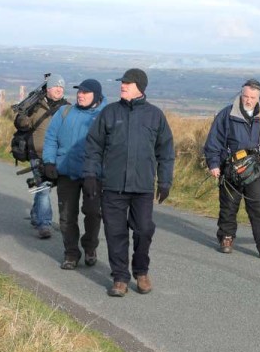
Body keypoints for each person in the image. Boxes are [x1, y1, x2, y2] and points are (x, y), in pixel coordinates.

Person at [84, 68, 174, 297]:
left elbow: (166, 151)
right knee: (115, 232)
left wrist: (165, 181)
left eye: (128, 83)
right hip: (112, 185)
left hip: (142, 186)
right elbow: (94, 146)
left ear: (140, 87)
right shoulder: (110, 113)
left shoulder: (155, 115)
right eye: (122, 82)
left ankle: (141, 271)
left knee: (144, 230)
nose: (122, 86)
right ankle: (120, 278)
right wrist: (91, 175)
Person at [203, 78, 260, 258]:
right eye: (245, 96)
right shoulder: (227, 115)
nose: (248, 100)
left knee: (258, 208)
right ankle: (226, 238)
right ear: (241, 94)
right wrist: (214, 164)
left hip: (256, 171)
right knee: (229, 206)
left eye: (252, 97)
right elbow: (213, 141)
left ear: (259, 98)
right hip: (229, 169)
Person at [42, 79, 107, 269]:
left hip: (94, 176)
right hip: (66, 173)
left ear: (96, 95)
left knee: (93, 213)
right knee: (66, 216)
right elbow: (51, 138)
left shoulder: (105, 115)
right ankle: (71, 253)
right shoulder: (64, 112)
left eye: (86, 92)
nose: (80, 95)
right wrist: (49, 162)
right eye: (79, 92)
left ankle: (90, 247)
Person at [14, 74, 69, 239]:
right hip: (36, 153)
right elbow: (21, 124)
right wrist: (23, 117)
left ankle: (36, 214)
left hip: (56, 156)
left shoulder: (67, 108)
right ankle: (45, 224)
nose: (59, 90)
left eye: (61, 87)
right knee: (44, 188)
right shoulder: (35, 105)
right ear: (48, 89)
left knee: (44, 186)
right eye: (55, 87)